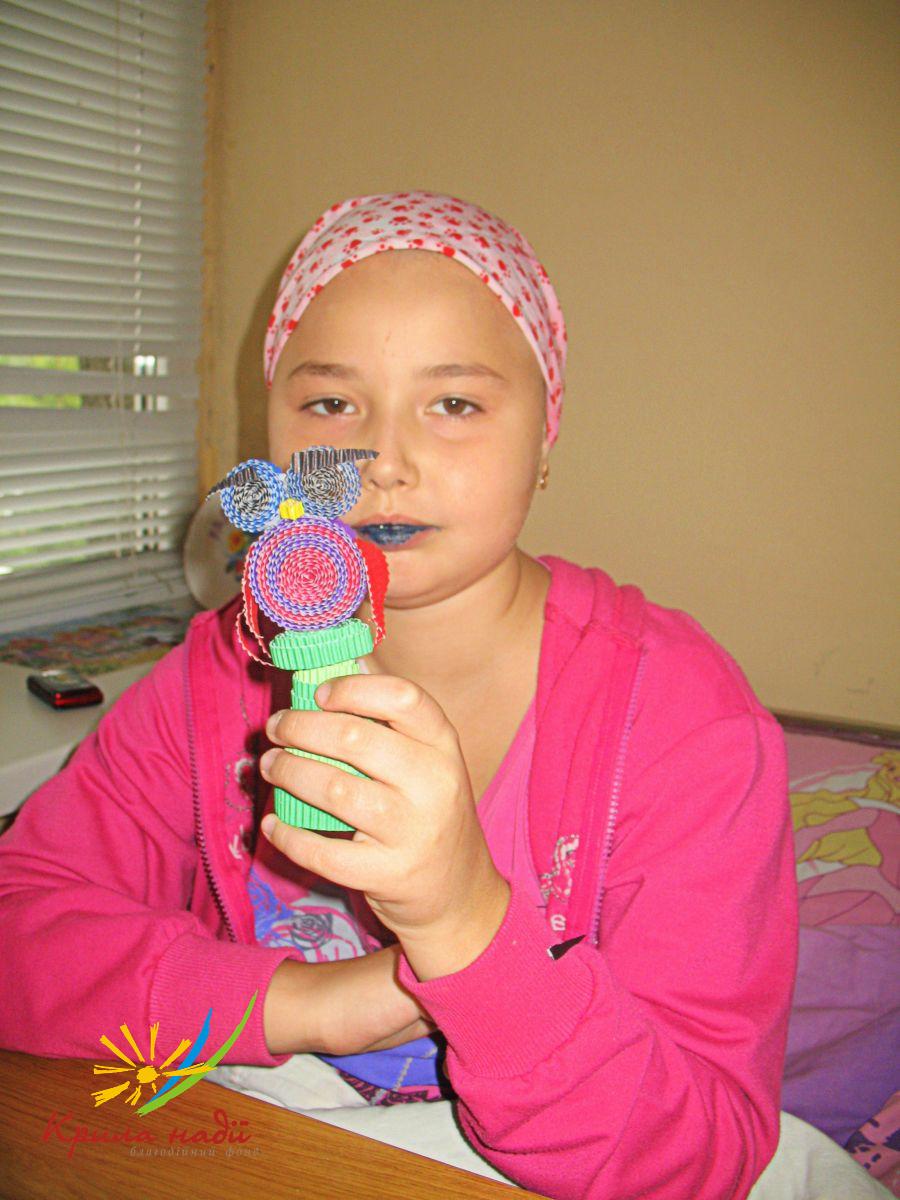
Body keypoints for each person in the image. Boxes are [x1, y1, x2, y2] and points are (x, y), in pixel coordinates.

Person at [0, 190, 799, 1200]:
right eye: (331, 406)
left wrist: (463, 923)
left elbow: (697, 1154)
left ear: (546, 433)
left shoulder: (685, 721)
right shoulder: (218, 675)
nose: (382, 461)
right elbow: (21, 926)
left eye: (455, 404)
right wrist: (312, 1003)